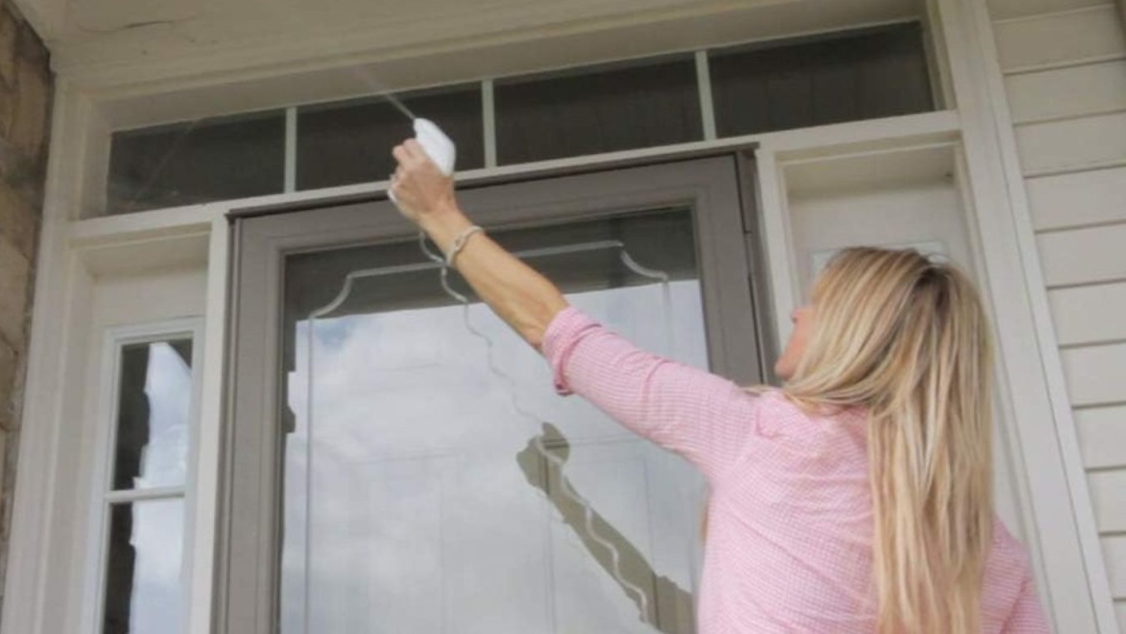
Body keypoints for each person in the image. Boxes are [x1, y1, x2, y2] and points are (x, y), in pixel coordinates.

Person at [390, 139, 1049, 633]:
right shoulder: (990, 549)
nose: (798, 313)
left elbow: (558, 329)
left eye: (817, 304)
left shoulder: (770, 438)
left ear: (855, 334)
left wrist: (441, 213)